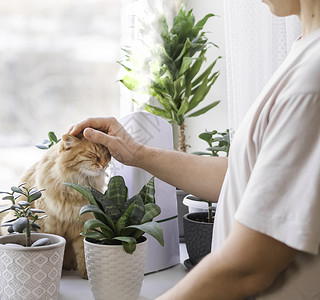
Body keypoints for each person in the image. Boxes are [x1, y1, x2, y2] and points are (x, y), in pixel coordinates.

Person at [69, 0, 320, 298]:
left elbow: (250, 267)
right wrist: (136, 153)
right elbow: (246, 176)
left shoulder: (312, 80)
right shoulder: (305, 53)